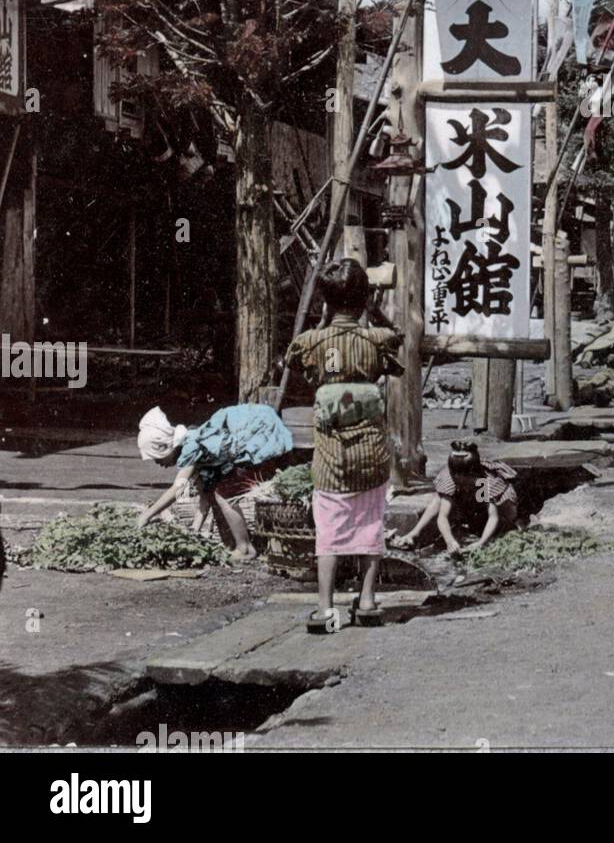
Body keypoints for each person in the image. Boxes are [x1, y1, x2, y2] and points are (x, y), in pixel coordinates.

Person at [284, 259, 402, 634]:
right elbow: (396, 335)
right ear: (365, 299)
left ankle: (325, 609)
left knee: (329, 531)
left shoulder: (311, 342)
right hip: (372, 453)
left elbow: (294, 359)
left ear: (325, 302)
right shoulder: (376, 340)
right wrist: (371, 313)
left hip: (331, 456)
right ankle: (367, 603)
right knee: (370, 524)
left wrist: (322, 323)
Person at [136, 402, 294, 563]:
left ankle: (245, 548)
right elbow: (204, 498)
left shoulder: (191, 447)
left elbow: (179, 488)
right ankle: (244, 546)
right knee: (216, 491)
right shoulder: (195, 456)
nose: (157, 463)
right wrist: (194, 532)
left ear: (165, 446)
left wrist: (148, 514)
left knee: (225, 494)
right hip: (259, 429)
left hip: (261, 435)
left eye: (156, 457)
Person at [393, 440, 518, 556]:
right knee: (439, 499)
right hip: (468, 502)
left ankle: (489, 532)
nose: (461, 481)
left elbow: (492, 516)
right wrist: (450, 541)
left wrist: (481, 543)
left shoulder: (482, 482)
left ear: (474, 474)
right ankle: (414, 533)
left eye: (466, 480)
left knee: (496, 518)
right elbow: (442, 516)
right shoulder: (450, 479)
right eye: (458, 478)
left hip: (494, 506)